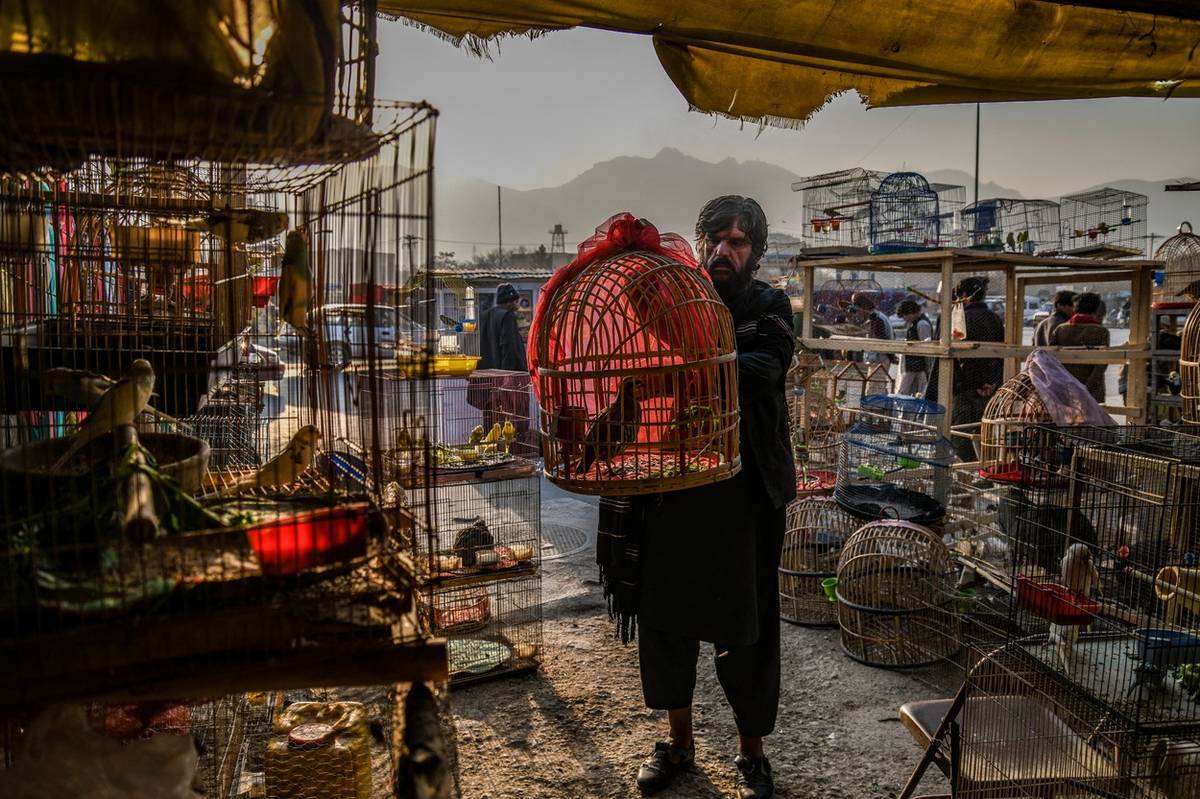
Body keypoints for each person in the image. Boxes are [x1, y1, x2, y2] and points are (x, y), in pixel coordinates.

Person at [598, 196, 795, 799]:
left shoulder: (768, 307)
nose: (724, 250)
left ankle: (751, 752)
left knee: (748, 624)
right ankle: (678, 743)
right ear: (702, 241)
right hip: (675, 485)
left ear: (755, 252)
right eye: (715, 238)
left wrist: (697, 366)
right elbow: (639, 365)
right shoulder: (675, 304)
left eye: (738, 241)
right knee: (667, 618)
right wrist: (603, 434)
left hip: (744, 491)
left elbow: (767, 367)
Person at [925, 276, 1004, 462]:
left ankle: (966, 472)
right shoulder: (994, 319)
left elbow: (950, 359)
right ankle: (984, 470)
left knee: (958, 435)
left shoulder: (956, 319)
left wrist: (971, 383)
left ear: (963, 295)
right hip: (989, 390)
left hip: (963, 389)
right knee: (986, 434)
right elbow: (1000, 355)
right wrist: (991, 383)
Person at [1050, 291, 1110, 403]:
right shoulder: (1101, 331)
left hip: (1065, 388)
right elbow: (1102, 364)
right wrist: (1086, 387)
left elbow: (1052, 360)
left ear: (1075, 307)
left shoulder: (1060, 330)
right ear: (1096, 309)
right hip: (1092, 392)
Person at [847, 292, 896, 373]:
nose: (858, 314)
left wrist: (891, 356)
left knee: (874, 385)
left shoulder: (876, 319)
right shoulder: (878, 316)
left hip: (878, 359)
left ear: (862, 307)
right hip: (878, 358)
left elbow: (883, 340)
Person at [896, 299, 933, 396]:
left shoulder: (921, 324)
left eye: (904, 316)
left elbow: (926, 347)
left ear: (910, 313)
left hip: (919, 368)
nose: (904, 319)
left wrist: (928, 369)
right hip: (913, 366)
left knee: (912, 393)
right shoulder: (915, 323)